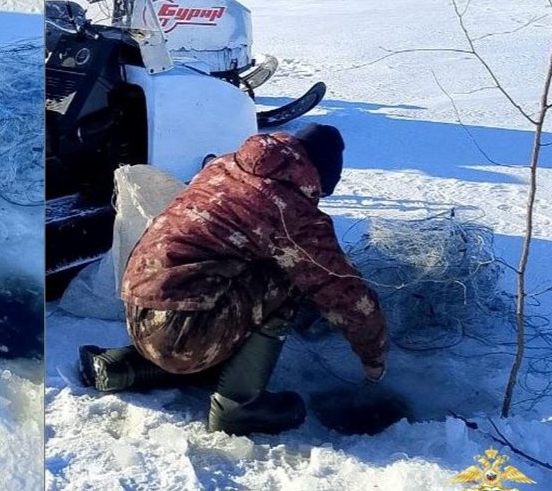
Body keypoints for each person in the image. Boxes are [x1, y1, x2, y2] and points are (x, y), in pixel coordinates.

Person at [78, 124, 388, 436]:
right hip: (182, 330)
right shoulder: (288, 210)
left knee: (242, 275)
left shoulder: (228, 166)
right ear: (317, 175)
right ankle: (239, 406)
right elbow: (342, 289)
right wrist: (373, 358)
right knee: (289, 273)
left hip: (139, 309)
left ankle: (120, 367)